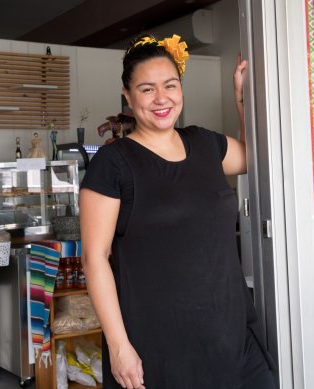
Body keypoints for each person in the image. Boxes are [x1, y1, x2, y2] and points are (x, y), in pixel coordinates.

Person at [79, 33, 275, 389]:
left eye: (169, 85)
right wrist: (119, 346)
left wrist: (241, 99)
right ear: (127, 94)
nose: (161, 98)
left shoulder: (205, 144)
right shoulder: (114, 164)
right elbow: (94, 259)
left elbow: (251, 156)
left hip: (232, 337)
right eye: (147, 89)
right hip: (161, 348)